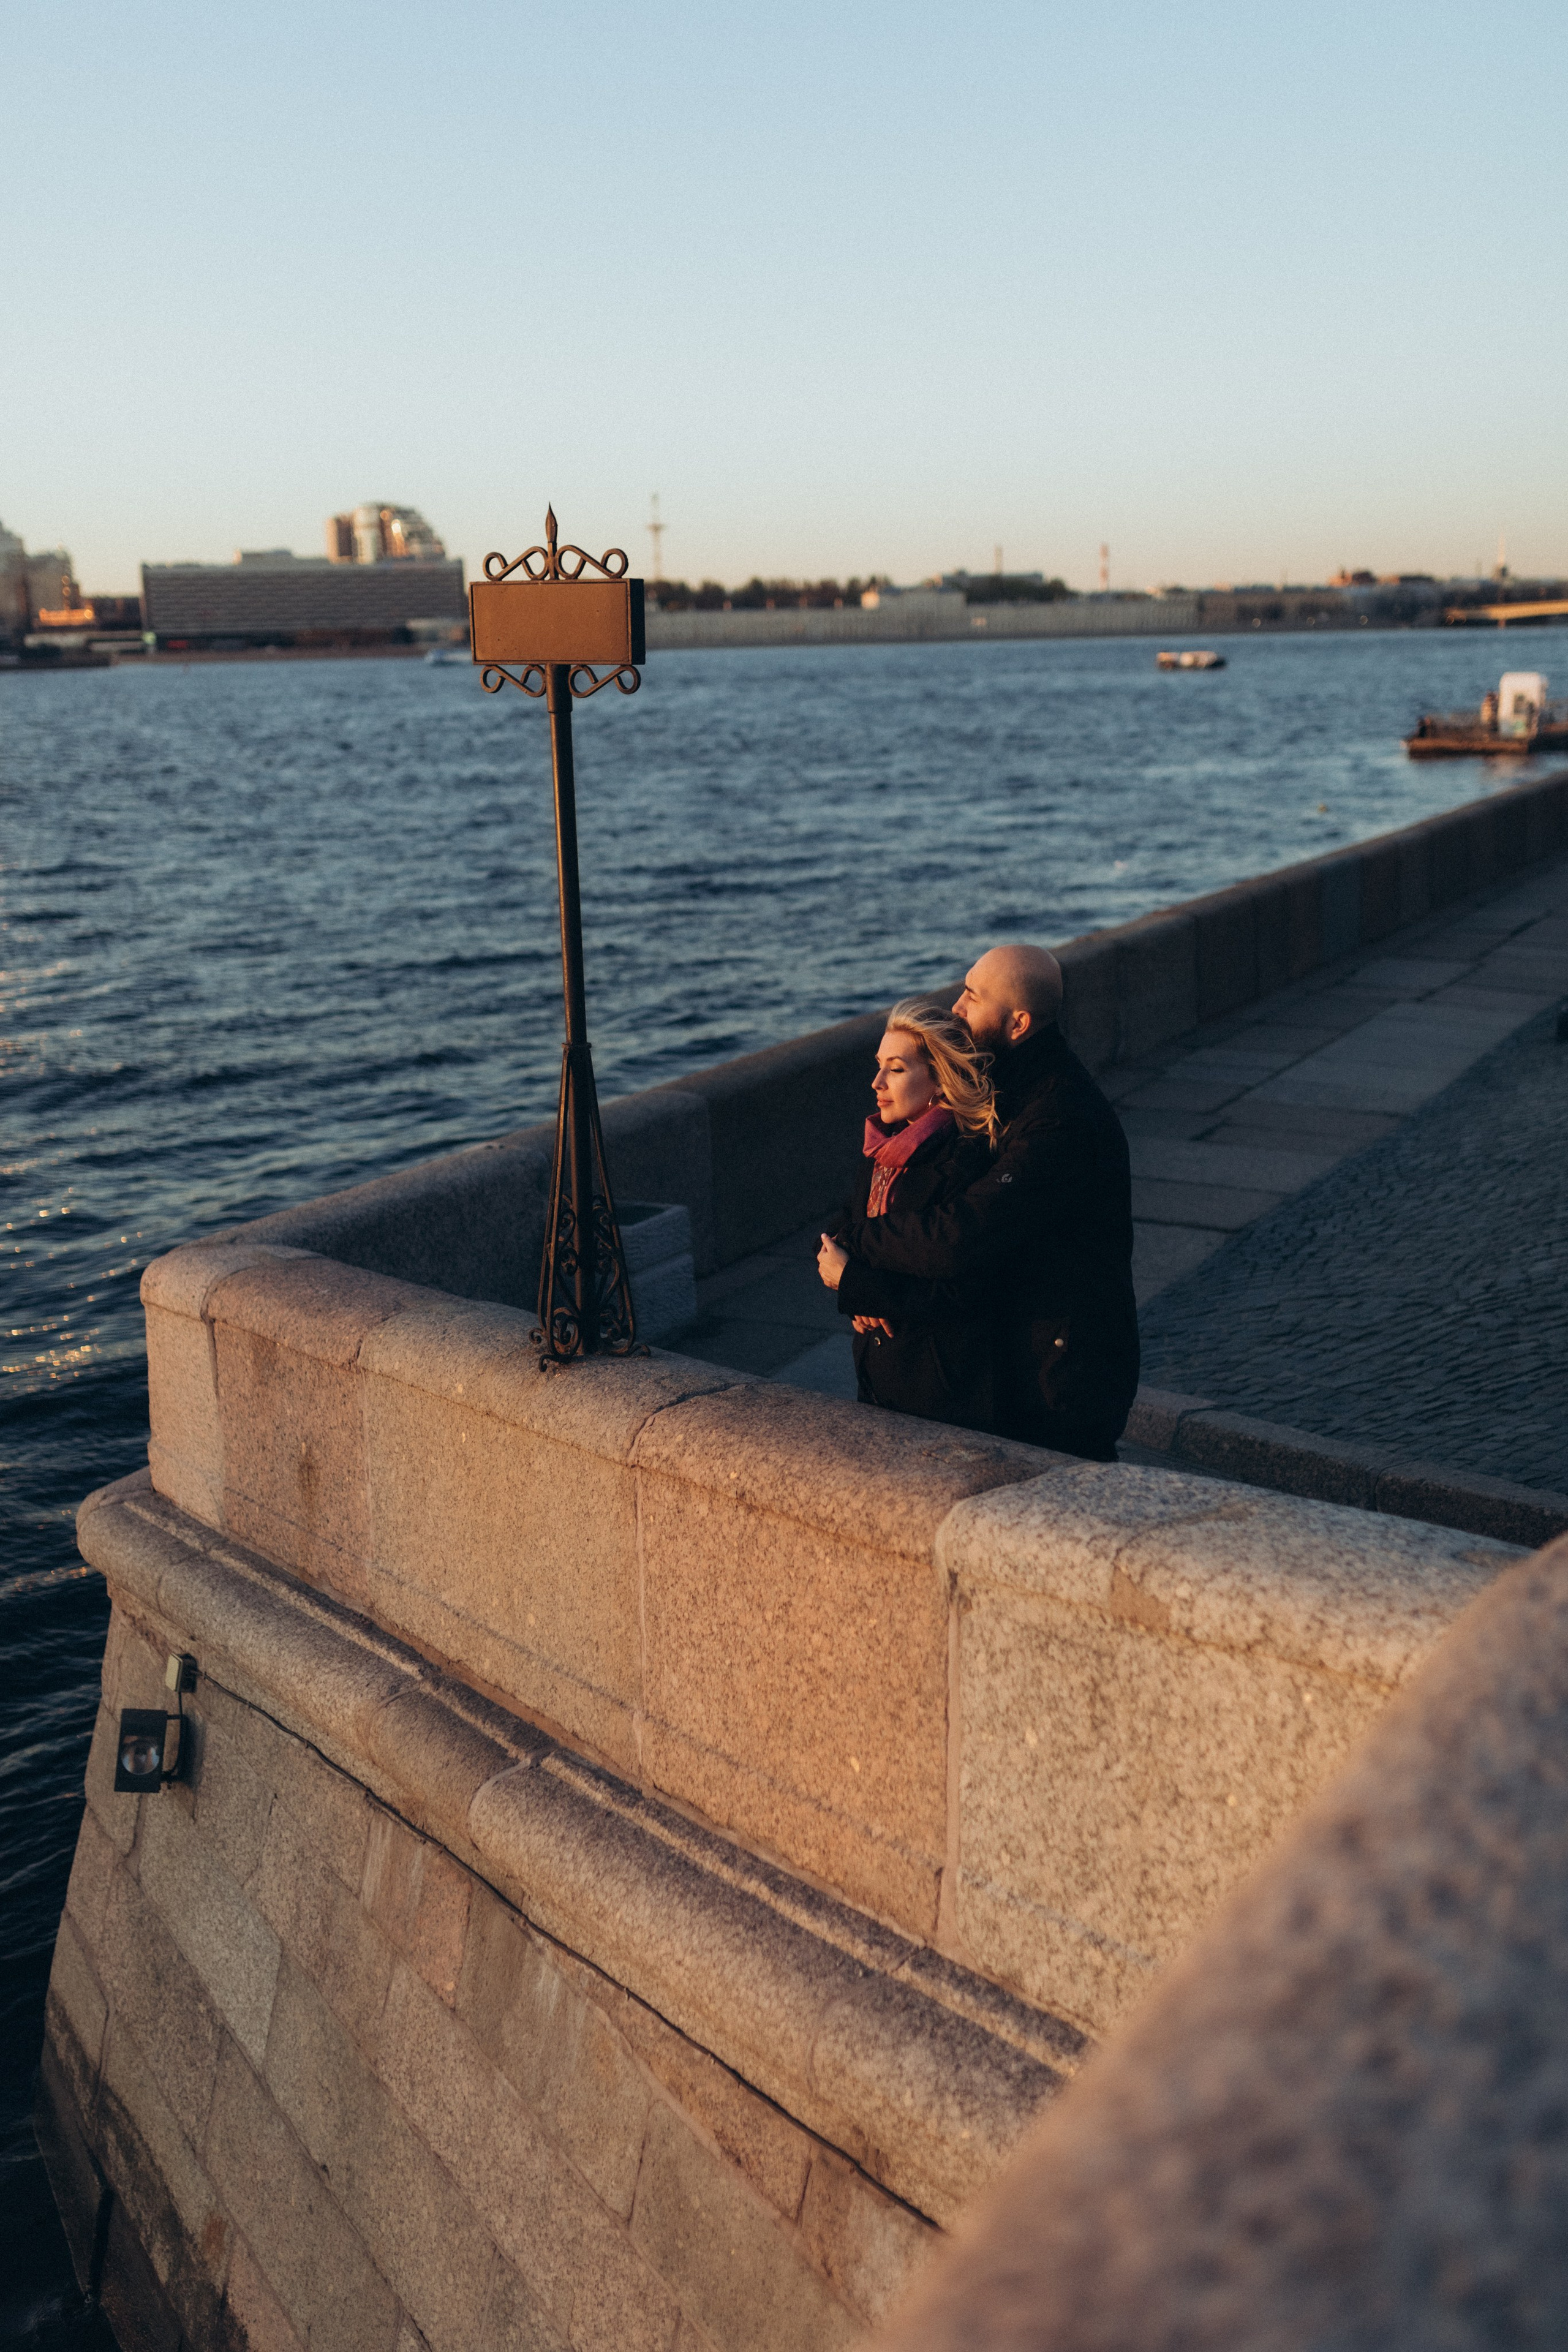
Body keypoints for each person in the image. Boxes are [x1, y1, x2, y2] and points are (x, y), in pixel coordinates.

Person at [818, 944, 1138, 1461]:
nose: (957, 1009)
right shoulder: (1003, 1088)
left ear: (1018, 1023)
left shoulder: (1059, 1115)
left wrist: (858, 1259)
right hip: (1025, 1362)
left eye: (972, 996)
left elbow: (962, 1235)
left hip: (1062, 1380)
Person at [824, 997, 1003, 1430]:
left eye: (896, 1069)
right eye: (879, 1065)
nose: (877, 1082)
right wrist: (850, 1283)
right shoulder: (883, 1150)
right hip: (879, 1374)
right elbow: (838, 1231)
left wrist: (859, 1285)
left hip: (940, 1387)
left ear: (940, 1081)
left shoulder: (964, 1160)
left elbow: (963, 1290)